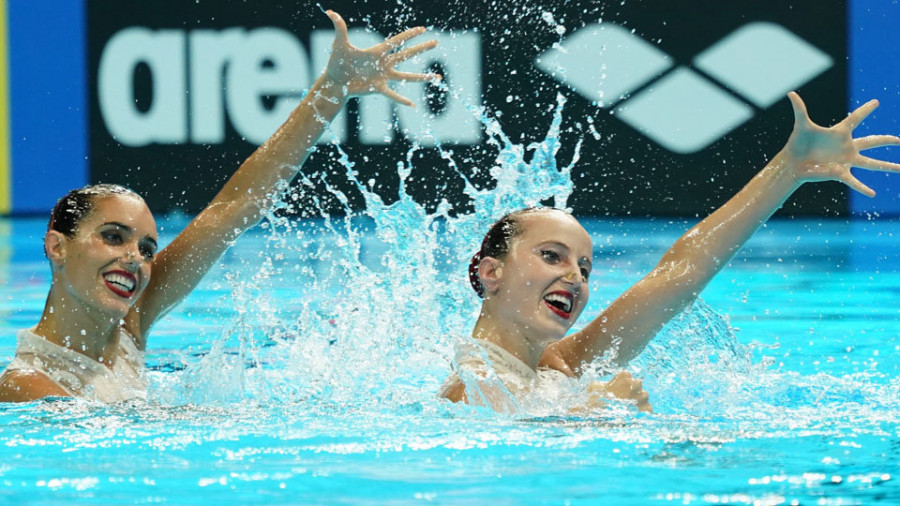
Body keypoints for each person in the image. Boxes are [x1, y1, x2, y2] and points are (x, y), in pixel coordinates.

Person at [0, 11, 439, 403]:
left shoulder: (128, 328)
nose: (134, 258)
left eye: (148, 249)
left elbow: (235, 207)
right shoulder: (26, 384)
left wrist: (332, 90)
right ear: (57, 247)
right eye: (113, 236)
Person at [441, 92, 900, 413]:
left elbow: (679, 273)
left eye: (584, 266)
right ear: (491, 272)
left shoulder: (563, 364)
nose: (576, 278)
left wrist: (790, 169)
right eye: (551, 256)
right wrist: (589, 412)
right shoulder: (470, 387)